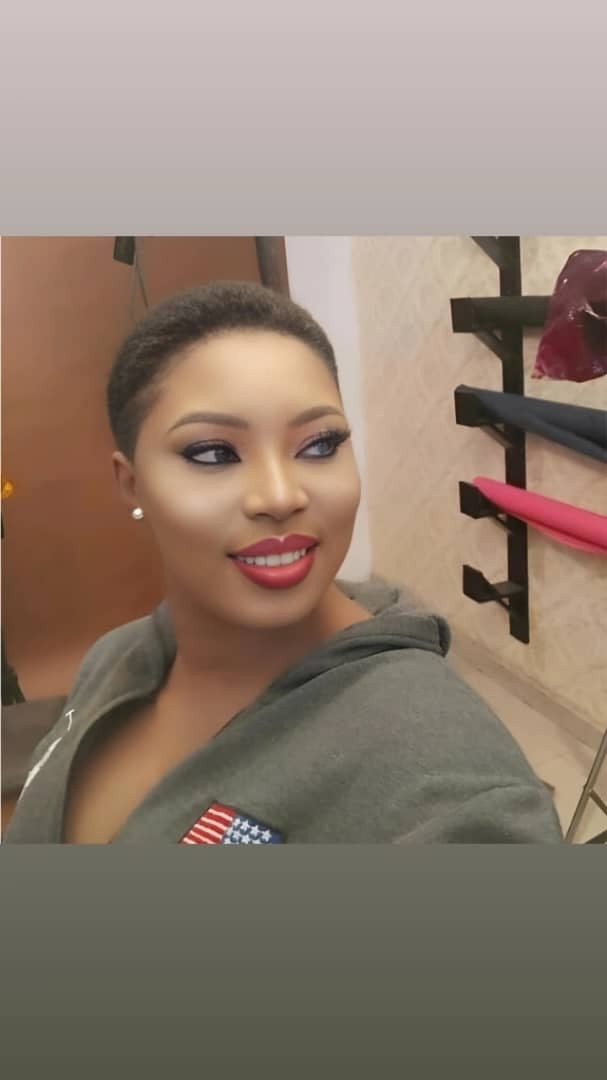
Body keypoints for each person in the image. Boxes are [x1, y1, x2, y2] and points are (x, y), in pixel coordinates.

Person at [4, 281, 562, 844]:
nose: (279, 496)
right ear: (131, 483)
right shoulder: (112, 658)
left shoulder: (454, 781)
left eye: (319, 445)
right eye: (214, 452)